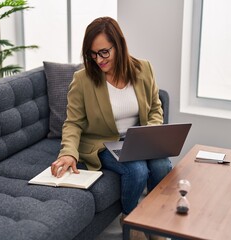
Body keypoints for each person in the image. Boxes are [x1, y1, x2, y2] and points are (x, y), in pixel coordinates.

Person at [51, 16, 171, 240]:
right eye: (93, 54)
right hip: (104, 143)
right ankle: (131, 219)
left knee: (162, 165)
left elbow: (155, 106)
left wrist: (152, 133)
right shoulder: (83, 79)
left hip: (139, 138)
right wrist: (68, 152)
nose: (98, 59)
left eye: (104, 52)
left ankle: (154, 222)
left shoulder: (143, 69)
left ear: (119, 45)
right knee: (136, 171)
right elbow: (73, 122)